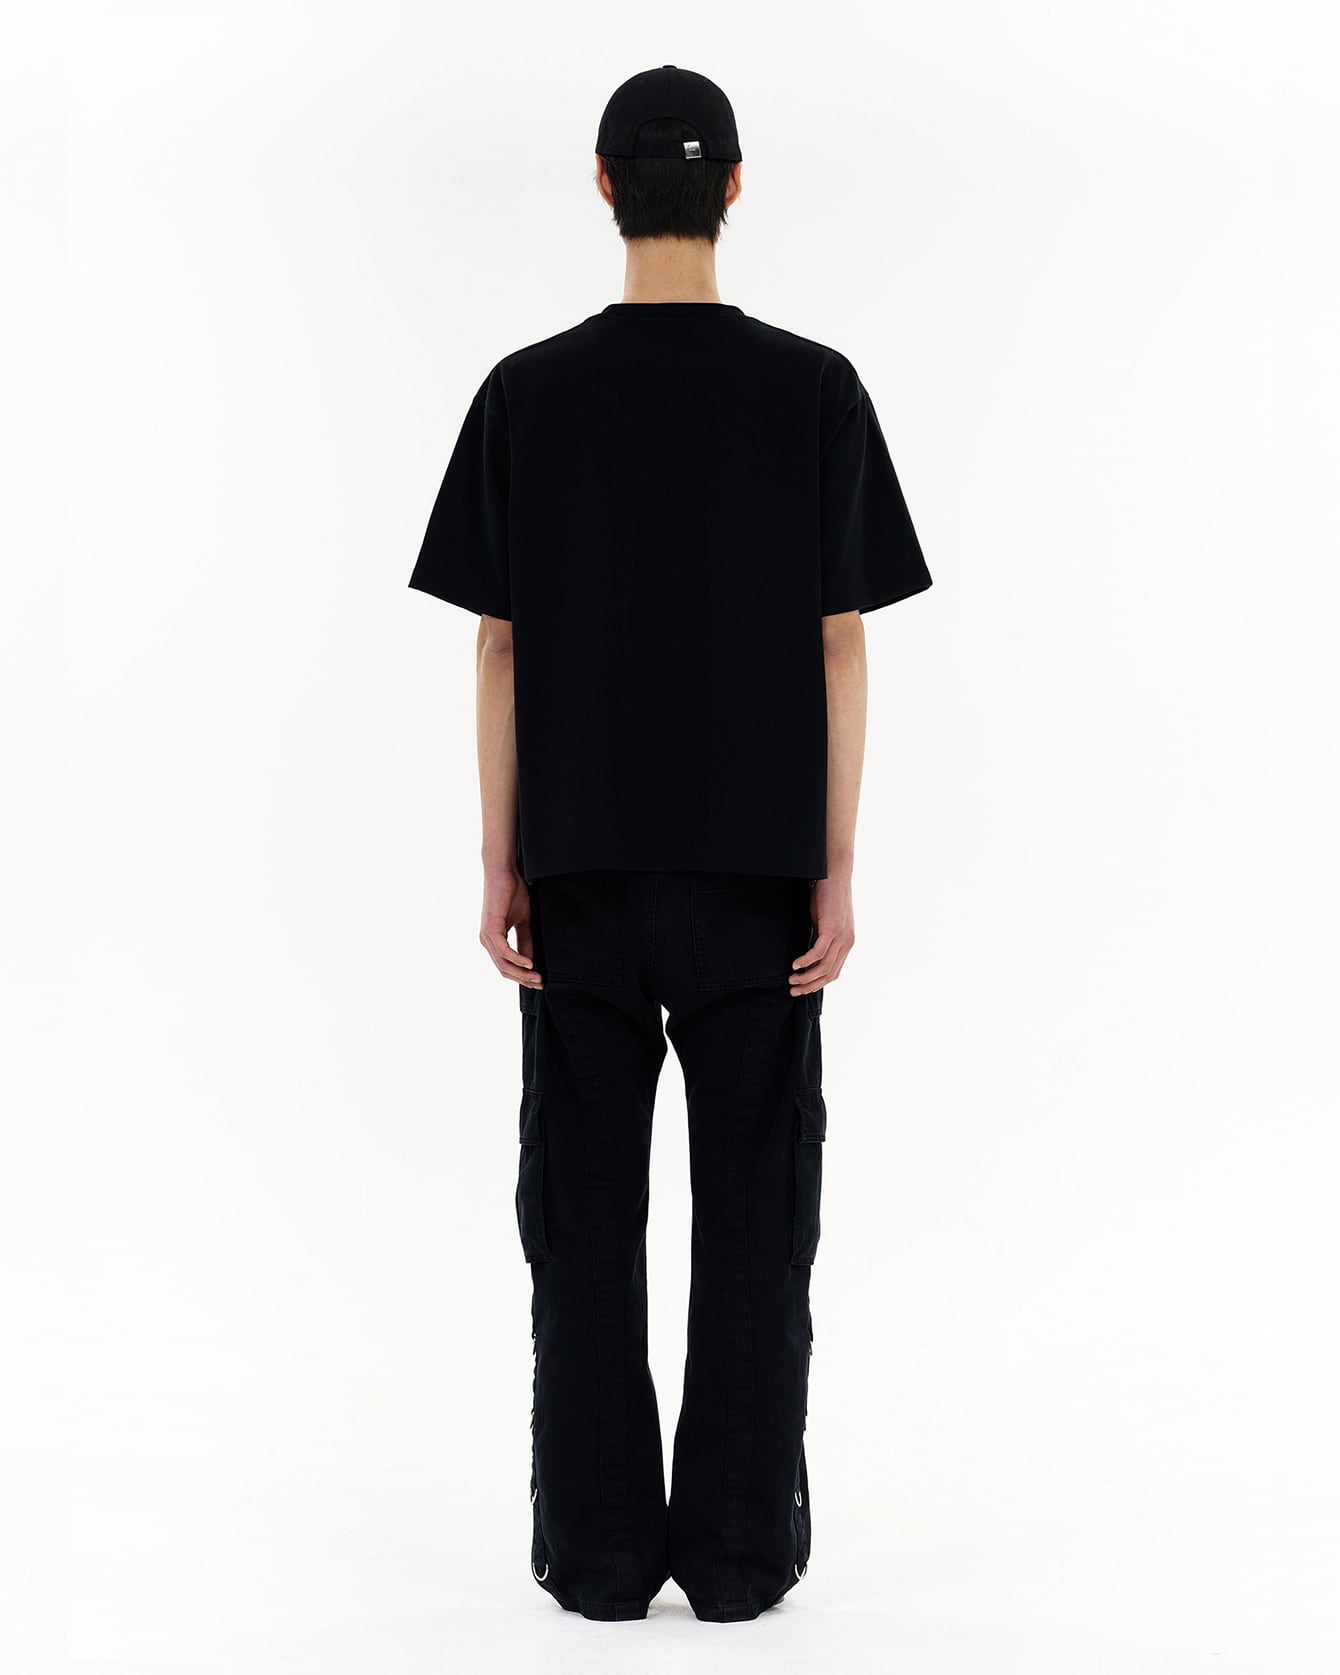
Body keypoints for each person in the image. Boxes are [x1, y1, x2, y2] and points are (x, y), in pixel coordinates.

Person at [407, 64, 932, 1624]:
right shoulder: (816, 390)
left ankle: (597, 1558)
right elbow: (841, 641)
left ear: (602, 185)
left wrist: (499, 859)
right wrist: (836, 863)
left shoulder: (527, 393)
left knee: (582, 1218)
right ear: (736, 187)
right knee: (759, 1216)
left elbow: (500, 645)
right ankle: (741, 1557)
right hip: (757, 881)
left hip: (579, 868)